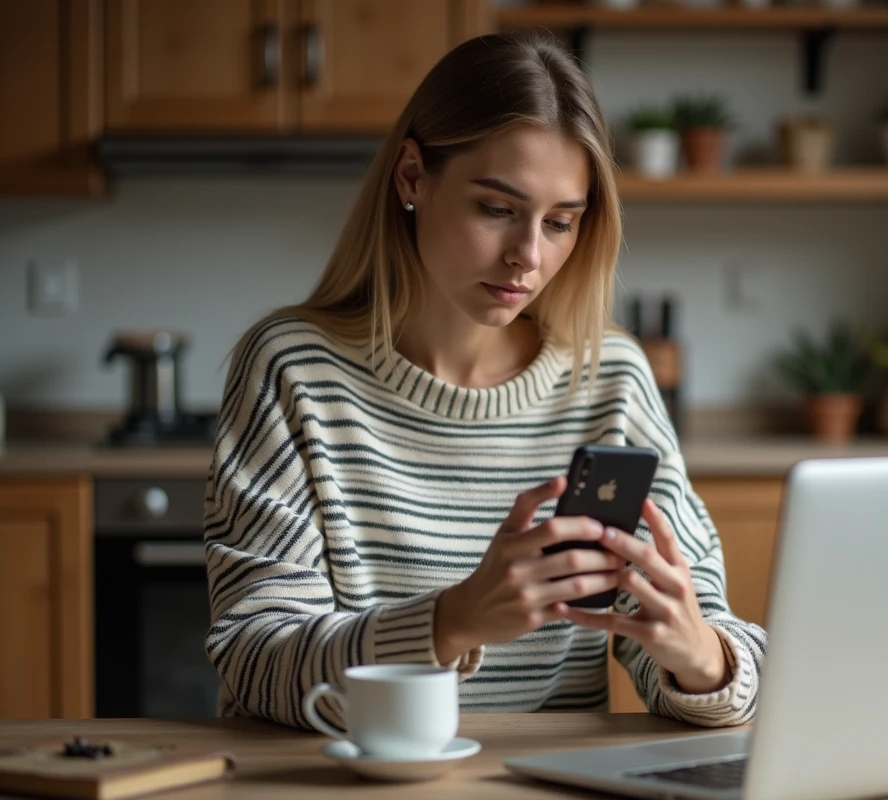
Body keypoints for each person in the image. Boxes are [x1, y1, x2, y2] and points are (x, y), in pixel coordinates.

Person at [203, 31, 765, 731]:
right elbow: (253, 657)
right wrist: (452, 622)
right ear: (412, 176)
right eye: (497, 210)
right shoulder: (292, 370)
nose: (527, 256)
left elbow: (724, 663)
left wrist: (699, 657)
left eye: (560, 222)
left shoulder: (609, 378)